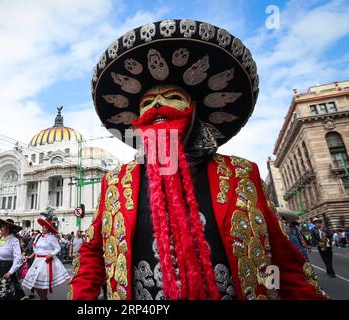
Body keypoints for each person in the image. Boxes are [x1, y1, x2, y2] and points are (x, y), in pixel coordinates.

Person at [69, 19, 328, 300]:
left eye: (172, 97)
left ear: (193, 111)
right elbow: (92, 258)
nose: (157, 105)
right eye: (146, 103)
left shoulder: (242, 174)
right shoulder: (115, 183)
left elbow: (283, 261)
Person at [22, 218, 70, 299]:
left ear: (48, 229)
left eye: (45, 228)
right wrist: (33, 254)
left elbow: (58, 248)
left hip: (46, 262)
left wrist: (51, 254)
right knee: (34, 282)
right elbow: (34, 246)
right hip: (37, 261)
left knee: (43, 284)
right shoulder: (38, 236)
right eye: (42, 227)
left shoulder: (52, 237)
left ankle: (43, 298)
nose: (43, 229)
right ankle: (43, 298)